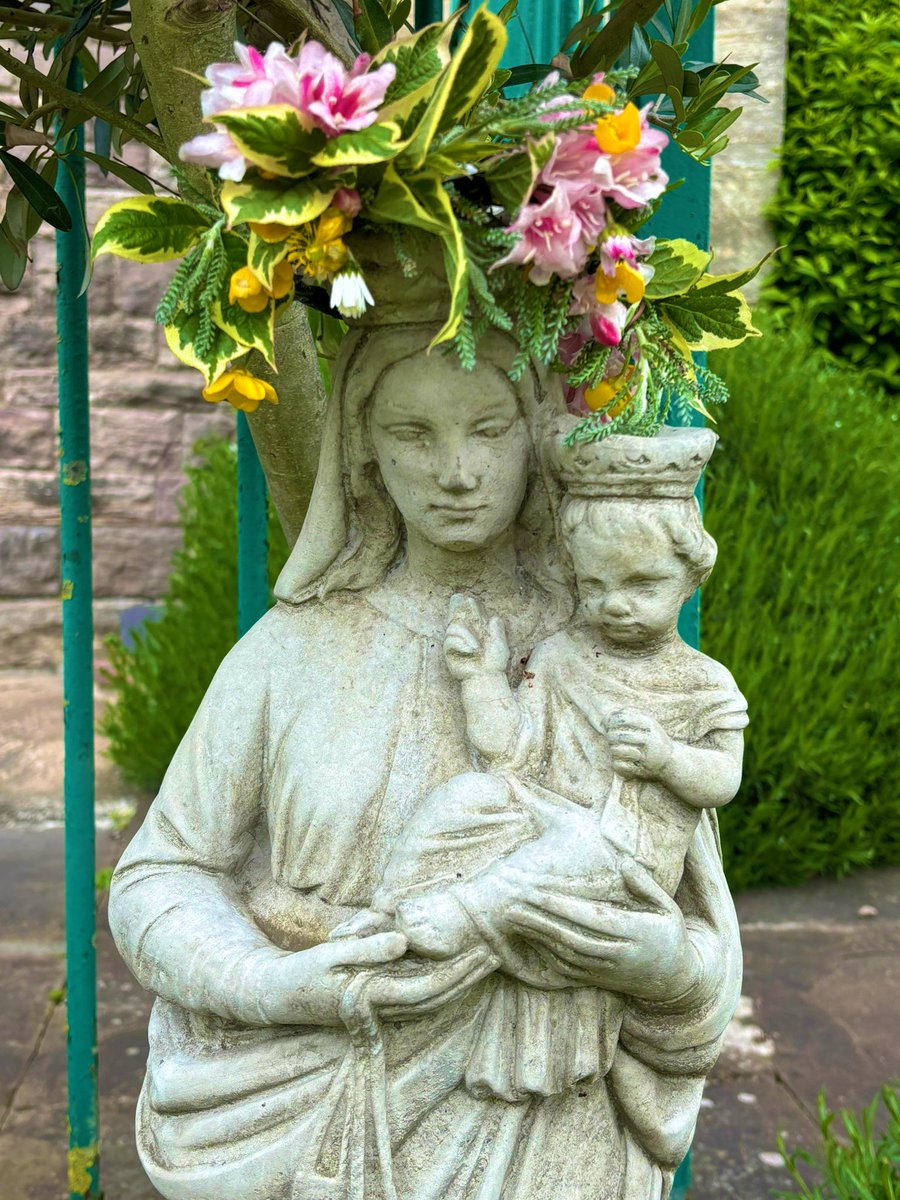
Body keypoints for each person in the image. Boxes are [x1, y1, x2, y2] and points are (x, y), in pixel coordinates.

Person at [109, 326, 742, 1200]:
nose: (456, 470)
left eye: (488, 429)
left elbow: (694, 934)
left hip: (554, 1126)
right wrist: (268, 982)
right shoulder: (285, 657)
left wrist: (661, 968)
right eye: (414, 433)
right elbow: (162, 874)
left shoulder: (608, 660)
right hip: (314, 1106)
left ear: (536, 437)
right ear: (363, 452)